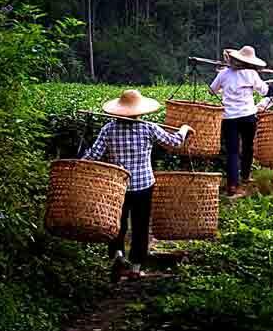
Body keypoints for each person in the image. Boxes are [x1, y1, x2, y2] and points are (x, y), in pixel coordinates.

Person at [82, 89, 193, 282]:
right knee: (140, 226)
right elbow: (174, 143)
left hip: (117, 186)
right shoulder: (148, 128)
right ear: (139, 111)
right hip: (143, 186)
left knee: (117, 224)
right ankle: (135, 268)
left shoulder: (109, 129)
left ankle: (118, 255)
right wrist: (183, 129)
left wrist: (79, 165)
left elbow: (94, 155)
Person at [210, 45, 273, 196]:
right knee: (248, 147)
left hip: (229, 118)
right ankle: (245, 176)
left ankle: (232, 185)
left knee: (232, 152)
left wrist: (224, 84)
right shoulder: (251, 74)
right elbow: (266, 91)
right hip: (248, 116)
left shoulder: (224, 73)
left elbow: (212, 90)